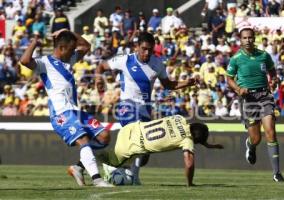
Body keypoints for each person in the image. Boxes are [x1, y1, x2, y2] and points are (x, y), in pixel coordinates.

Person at [69, 32, 200, 185]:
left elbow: (168, 85)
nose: (147, 53)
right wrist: (99, 79)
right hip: (127, 107)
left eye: (150, 50)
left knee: (144, 151)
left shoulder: (157, 64)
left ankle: (80, 166)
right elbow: (101, 66)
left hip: (145, 109)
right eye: (144, 49)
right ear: (137, 47)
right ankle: (133, 178)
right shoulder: (125, 60)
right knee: (139, 141)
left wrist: (188, 83)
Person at [19, 29, 114, 187]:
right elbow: (24, 60)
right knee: (83, 140)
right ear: (62, 48)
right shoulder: (44, 63)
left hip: (75, 111)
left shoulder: (69, 60)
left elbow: (86, 46)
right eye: (71, 50)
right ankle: (97, 179)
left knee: (104, 136)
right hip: (61, 112)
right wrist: (35, 42)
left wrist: (68, 32)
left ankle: (78, 167)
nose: (73, 53)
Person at [226, 26, 284, 182]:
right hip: (249, 98)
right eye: (244, 38)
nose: (248, 40)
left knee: (271, 131)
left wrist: (273, 80)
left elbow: (272, 71)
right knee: (256, 138)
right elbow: (229, 79)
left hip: (264, 95)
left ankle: (277, 173)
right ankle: (250, 145)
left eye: (250, 37)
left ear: (254, 38)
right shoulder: (236, 58)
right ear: (240, 40)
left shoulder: (264, 55)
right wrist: (238, 89)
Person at [97, 115, 223, 186]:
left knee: (141, 158)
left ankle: (90, 161)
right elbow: (189, 164)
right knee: (118, 170)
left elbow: (193, 132)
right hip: (129, 147)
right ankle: (101, 168)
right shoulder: (187, 140)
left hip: (130, 128)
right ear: (195, 140)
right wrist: (190, 183)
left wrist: (207, 145)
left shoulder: (179, 118)